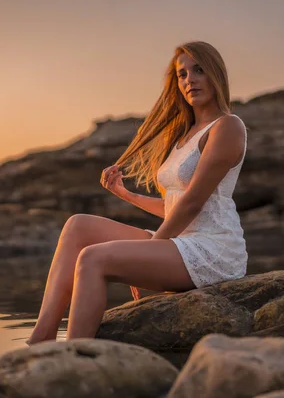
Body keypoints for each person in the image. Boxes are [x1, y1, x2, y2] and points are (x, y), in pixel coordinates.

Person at [27, 41, 248, 344]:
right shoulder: (185, 136)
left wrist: (151, 248)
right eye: (182, 74)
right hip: (180, 241)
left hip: (213, 251)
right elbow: (175, 205)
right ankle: (42, 336)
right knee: (78, 225)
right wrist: (125, 194)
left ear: (216, 73)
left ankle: (74, 357)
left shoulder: (227, 127)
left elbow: (194, 202)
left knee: (93, 259)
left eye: (198, 70)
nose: (190, 80)